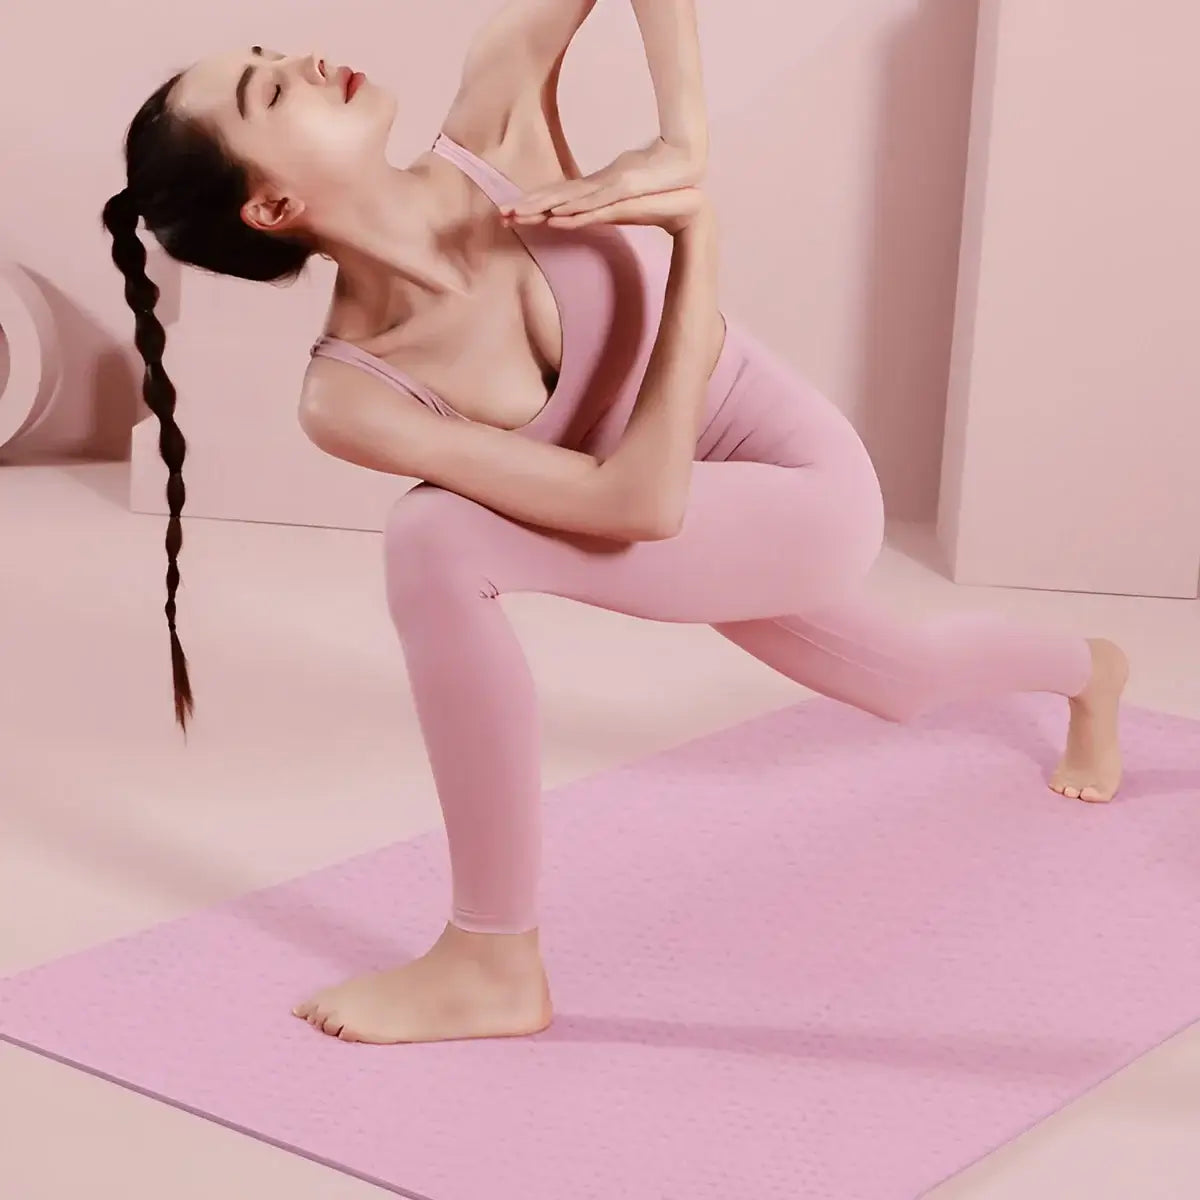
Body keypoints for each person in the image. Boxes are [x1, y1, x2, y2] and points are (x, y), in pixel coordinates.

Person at [101, 0, 1128, 1046]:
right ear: (273, 207)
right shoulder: (354, 395)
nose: (307, 59)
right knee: (899, 679)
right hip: (674, 514)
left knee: (438, 538)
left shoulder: (496, 120)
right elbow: (635, 506)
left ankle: (490, 958)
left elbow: (640, 504)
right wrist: (696, 244)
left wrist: (684, 140)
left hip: (800, 487)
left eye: (276, 53)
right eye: (271, 89)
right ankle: (1091, 670)